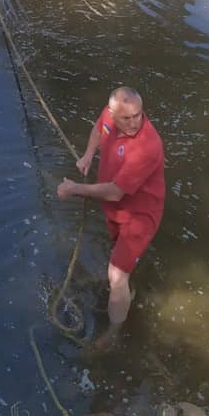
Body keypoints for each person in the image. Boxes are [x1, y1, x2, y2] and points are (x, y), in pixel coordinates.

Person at [57, 87, 164, 350]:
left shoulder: (148, 145)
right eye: (126, 118)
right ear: (114, 113)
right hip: (114, 210)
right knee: (120, 267)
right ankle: (128, 288)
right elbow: (98, 129)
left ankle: (114, 332)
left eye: (138, 115)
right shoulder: (109, 114)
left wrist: (73, 190)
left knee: (116, 275)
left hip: (140, 215)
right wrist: (87, 155)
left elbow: (116, 192)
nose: (133, 122)